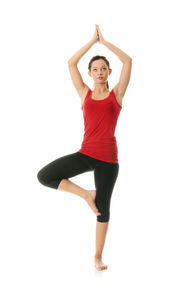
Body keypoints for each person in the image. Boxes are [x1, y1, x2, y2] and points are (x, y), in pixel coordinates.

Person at [37, 24, 132, 271]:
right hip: (85, 153)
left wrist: (106, 42)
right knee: (45, 176)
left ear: (109, 72)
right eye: (95, 69)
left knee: (104, 209)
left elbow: (129, 61)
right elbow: (70, 63)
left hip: (109, 159)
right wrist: (92, 42)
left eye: (103, 68)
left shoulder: (117, 95)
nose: (99, 72)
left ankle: (97, 257)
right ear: (89, 73)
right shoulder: (84, 93)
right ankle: (85, 194)